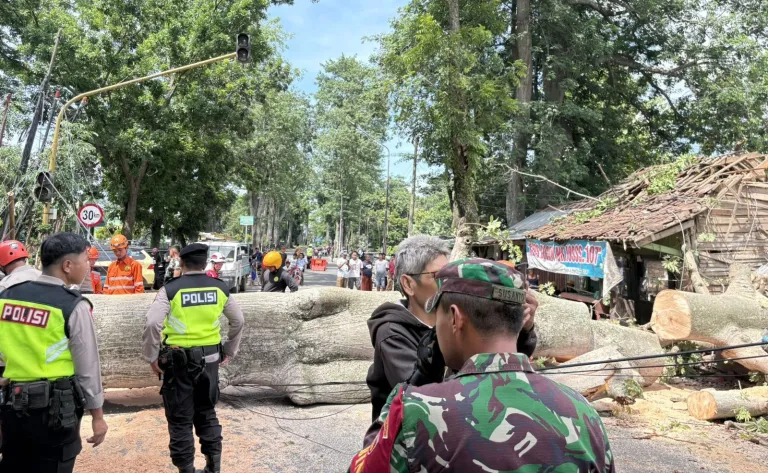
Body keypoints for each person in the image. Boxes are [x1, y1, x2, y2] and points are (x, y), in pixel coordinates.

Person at [351, 258, 614, 473]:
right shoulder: (582, 411)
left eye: (438, 315)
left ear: (455, 318)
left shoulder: (413, 410)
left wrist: (418, 381)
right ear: (520, 320)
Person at [365, 236, 538, 421]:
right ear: (408, 284)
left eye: (449, 276)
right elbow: (419, 398)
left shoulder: (457, 320)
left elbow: (499, 359)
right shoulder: (391, 331)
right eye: (437, 276)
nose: (448, 284)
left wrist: (521, 329)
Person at [0, 232, 108, 472]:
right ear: (68, 265)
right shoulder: (72, 305)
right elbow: (87, 367)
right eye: (85, 259)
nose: (88, 265)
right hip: (55, 415)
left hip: (12, 409)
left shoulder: (6, 297)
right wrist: (98, 416)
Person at [142, 243, 244, 473]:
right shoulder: (220, 288)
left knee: (180, 420)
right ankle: (213, 467)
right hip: (210, 362)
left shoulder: (170, 290)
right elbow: (238, 321)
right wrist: (229, 349)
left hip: (178, 365)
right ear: (205, 263)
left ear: (182, 262)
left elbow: (152, 323)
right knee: (207, 413)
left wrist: (152, 356)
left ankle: (187, 470)